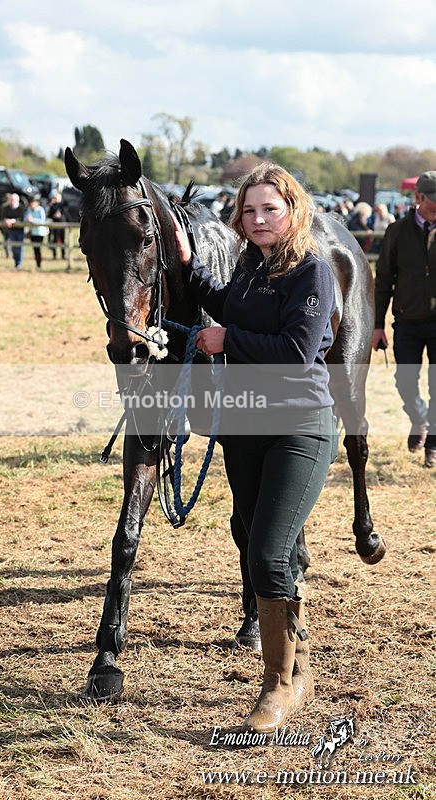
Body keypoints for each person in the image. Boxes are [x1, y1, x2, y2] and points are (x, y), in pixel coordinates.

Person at [173, 163, 337, 733]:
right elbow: (224, 302)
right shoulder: (248, 267)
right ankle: (299, 660)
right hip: (244, 426)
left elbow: (296, 351)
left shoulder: (312, 271)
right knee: (255, 540)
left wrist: (226, 340)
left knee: (268, 552)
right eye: (249, 211)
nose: (259, 218)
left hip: (300, 425)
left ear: (293, 209)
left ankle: (277, 686)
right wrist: (187, 262)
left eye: (270, 208)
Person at [372, 171, 436, 468]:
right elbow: (384, 279)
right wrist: (377, 326)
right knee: (405, 381)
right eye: (432, 200)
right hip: (407, 321)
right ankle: (419, 418)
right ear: (418, 198)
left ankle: (432, 443)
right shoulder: (397, 231)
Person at [0, 193, 25, 269]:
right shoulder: (6, 208)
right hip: (11, 230)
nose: (12, 201)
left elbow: (21, 218)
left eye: (13, 200)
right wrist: (6, 220)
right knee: (13, 247)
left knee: (19, 247)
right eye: (11, 200)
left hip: (19, 230)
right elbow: (2, 217)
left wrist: (12, 221)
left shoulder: (21, 208)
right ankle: (16, 262)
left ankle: (19, 263)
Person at [23, 195, 48, 268]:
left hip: (40, 232)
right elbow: (25, 219)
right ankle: (38, 264)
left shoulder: (40, 210)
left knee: (38, 248)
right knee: (35, 249)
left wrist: (32, 220)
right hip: (33, 232)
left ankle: (39, 264)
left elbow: (42, 221)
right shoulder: (29, 210)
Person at [47, 192, 66, 260]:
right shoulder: (52, 206)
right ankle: (54, 255)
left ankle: (63, 255)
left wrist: (60, 215)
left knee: (62, 240)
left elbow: (65, 213)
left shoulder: (63, 205)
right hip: (55, 225)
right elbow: (49, 215)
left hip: (61, 224)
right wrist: (53, 215)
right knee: (54, 240)